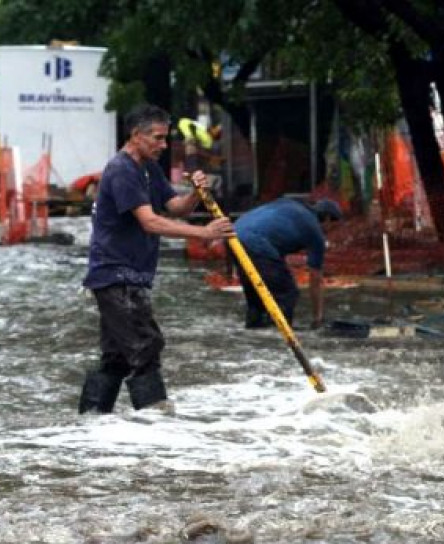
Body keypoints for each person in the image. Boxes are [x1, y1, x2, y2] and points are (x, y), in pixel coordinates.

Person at [78, 104, 235, 414]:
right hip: (115, 274)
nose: (164, 146)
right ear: (136, 136)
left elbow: (174, 207)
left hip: (129, 274)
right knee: (145, 346)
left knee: (117, 357)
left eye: (166, 139)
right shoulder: (122, 170)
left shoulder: (148, 168)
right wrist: (203, 233)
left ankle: (91, 421)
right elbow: (150, 222)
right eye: (158, 138)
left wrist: (195, 193)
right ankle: (156, 429)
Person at [231, 197, 342, 330]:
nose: (330, 231)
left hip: (233, 234)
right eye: (333, 227)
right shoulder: (314, 231)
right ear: (328, 218)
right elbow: (316, 279)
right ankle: (280, 336)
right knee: (287, 293)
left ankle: (254, 331)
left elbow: (273, 234)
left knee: (257, 296)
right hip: (256, 243)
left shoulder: (291, 205)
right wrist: (317, 318)